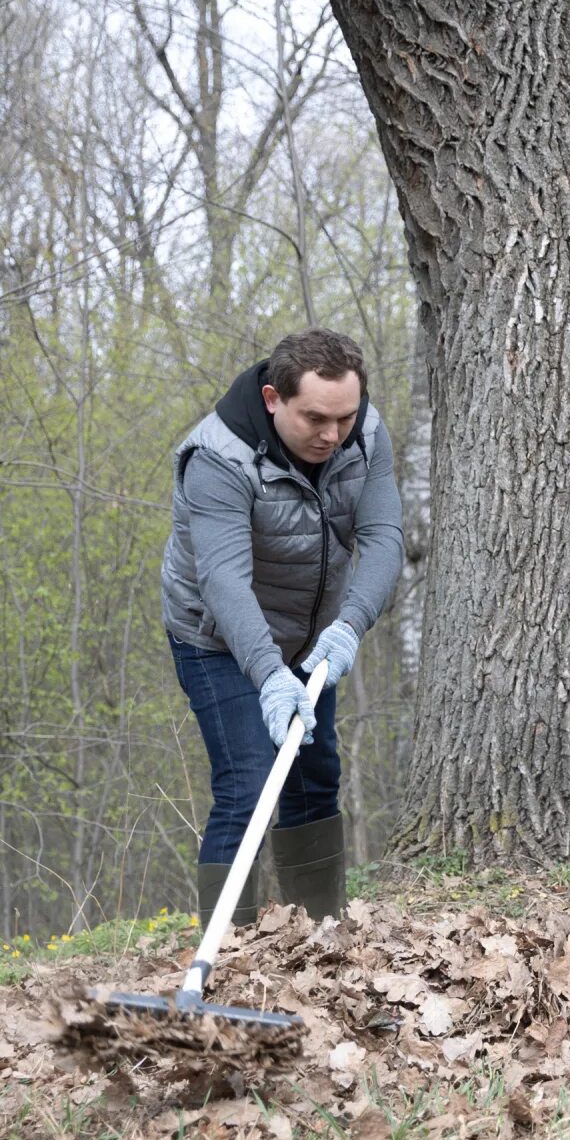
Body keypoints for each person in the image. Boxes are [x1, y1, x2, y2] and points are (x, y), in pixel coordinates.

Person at [162, 328, 403, 926]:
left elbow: (383, 538)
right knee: (249, 784)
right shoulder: (217, 458)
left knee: (314, 776)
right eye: (315, 418)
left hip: (315, 632)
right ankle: (227, 954)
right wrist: (270, 675)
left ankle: (318, 932)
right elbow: (223, 581)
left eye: (344, 416)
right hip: (217, 636)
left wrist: (348, 626)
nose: (332, 434)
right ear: (273, 399)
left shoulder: (365, 435)